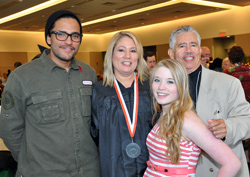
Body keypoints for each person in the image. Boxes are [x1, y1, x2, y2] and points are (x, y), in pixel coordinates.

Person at [0, 10, 100, 177]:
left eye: (75, 36)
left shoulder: (88, 73)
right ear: (48, 38)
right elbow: (10, 130)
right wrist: (31, 161)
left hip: (88, 170)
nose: (69, 41)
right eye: (61, 34)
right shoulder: (22, 77)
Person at [167, 25, 250, 177]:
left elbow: (247, 119)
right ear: (171, 53)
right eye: (181, 45)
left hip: (221, 170)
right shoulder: (164, 88)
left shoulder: (228, 83)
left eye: (193, 45)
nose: (188, 50)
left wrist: (228, 128)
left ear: (199, 51)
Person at [143, 59, 241, 177]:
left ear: (180, 87)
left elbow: (232, 163)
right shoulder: (163, 114)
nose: (161, 87)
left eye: (170, 82)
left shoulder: (187, 120)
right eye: (157, 80)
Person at [91, 31, 153, 177]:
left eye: (133, 50)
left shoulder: (151, 88)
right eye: (121, 50)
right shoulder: (99, 91)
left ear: (138, 56)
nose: (127, 56)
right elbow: (94, 134)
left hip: (150, 167)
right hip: (113, 168)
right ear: (111, 55)